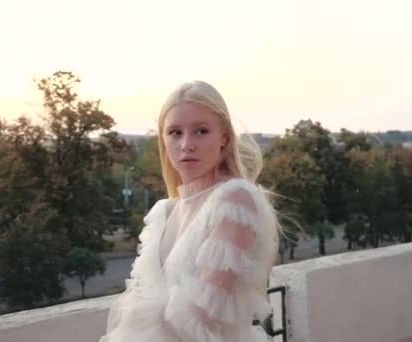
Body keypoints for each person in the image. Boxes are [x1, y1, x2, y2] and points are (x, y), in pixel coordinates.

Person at [99, 80, 280, 342]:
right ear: (163, 139)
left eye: (201, 131)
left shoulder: (235, 200)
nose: (186, 145)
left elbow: (201, 318)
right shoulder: (164, 213)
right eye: (174, 132)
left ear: (225, 138)